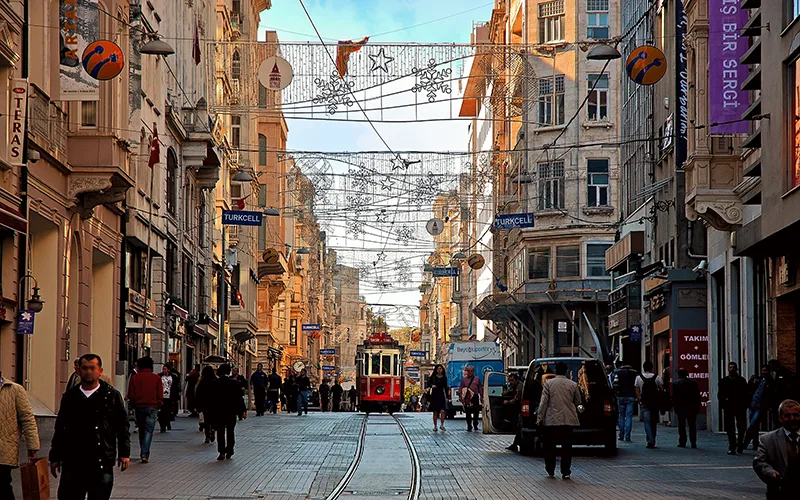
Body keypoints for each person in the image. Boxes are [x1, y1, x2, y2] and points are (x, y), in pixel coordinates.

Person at [50, 354, 130, 499]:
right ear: (78, 370)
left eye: (92, 368)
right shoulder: (70, 397)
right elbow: (60, 428)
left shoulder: (111, 395)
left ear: (100, 371)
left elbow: (122, 426)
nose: (88, 372)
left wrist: (124, 454)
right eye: (84, 368)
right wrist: (55, 457)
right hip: (73, 462)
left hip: (101, 461)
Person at [537, 361, 581, 480]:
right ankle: (565, 471)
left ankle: (550, 469)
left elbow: (543, 403)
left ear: (555, 371)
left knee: (550, 446)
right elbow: (578, 402)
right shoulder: (573, 385)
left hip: (552, 420)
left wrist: (539, 418)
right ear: (566, 371)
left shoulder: (548, 384)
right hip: (568, 420)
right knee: (567, 447)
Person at [0, 371, 39, 500]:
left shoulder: (14, 389)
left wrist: (32, 446)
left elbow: (27, 418)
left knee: (3, 485)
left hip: (5, 448)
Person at [753, 399, 800, 500]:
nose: (792, 418)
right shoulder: (768, 439)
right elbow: (760, 462)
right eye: (787, 416)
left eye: (796, 415)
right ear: (780, 418)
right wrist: (771, 473)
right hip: (780, 492)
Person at [127, 356, 163, 463]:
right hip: (152, 406)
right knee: (149, 431)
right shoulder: (156, 378)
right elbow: (159, 393)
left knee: (142, 430)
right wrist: (159, 404)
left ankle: (143, 451)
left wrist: (133, 403)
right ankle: (145, 453)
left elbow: (131, 394)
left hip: (139, 407)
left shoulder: (135, 378)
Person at [208, 364, 247, 460]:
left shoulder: (215, 383)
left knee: (220, 432)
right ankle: (230, 449)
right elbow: (239, 398)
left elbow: (211, 399)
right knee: (230, 431)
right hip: (231, 411)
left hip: (219, 411)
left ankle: (221, 452)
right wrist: (242, 410)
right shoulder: (234, 383)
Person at [719, 361, 749, 455]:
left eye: (733, 367)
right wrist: (723, 404)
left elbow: (746, 393)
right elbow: (720, 395)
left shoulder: (742, 380)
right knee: (730, 428)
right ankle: (732, 446)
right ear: (728, 369)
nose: (732, 369)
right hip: (729, 407)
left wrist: (745, 404)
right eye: (730, 367)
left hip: (740, 406)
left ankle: (740, 445)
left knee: (741, 427)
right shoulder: (724, 381)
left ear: (737, 369)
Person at [635, 360, 664, 449]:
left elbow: (637, 391)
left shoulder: (639, 378)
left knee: (647, 422)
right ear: (652, 368)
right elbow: (662, 389)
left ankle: (649, 440)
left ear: (643, 368)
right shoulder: (657, 377)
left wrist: (639, 400)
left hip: (645, 402)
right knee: (653, 422)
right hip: (655, 402)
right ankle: (653, 439)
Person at [745, 365, 775, 450]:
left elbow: (770, 395)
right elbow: (750, 389)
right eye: (762, 370)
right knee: (754, 426)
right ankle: (755, 443)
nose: (763, 372)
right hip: (753, 405)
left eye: (765, 371)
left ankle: (745, 442)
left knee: (753, 424)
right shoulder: (758, 380)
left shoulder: (771, 382)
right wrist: (751, 381)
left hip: (760, 406)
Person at [672, 368, 701, 448]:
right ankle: (693, 442)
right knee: (692, 425)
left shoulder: (676, 384)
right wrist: (698, 406)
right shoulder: (693, 383)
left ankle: (682, 442)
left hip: (681, 407)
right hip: (692, 407)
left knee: (681, 425)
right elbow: (697, 396)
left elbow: (674, 397)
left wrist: (674, 406)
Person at [613, 360, 637, 442]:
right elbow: (636, 385)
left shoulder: (618, 373)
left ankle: (621, 435)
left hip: (621, 396)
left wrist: (617, 395)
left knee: (621, 416)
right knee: (629, 416)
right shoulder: (634, 373)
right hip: (631, 396)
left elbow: (615, 385)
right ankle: (628, 436)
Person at [195, 366, 217, 444]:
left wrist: (197, 405)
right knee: (213, 419)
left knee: (206, 420)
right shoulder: (215, 381)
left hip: (205, 404)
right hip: (214, 404)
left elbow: (198, 394)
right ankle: (213, 429)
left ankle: (207, 435)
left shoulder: (201, 382)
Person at [458, 365, 483, 432]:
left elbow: (480, 388)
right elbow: (460, 388)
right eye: (469, 371)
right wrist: (460, 396)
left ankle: (475, 424)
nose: (470, 372)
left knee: (476, 411)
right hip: (468, 397)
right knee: (468, 412)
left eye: (471, 371)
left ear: (473, 371)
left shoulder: (477, 379)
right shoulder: (464, 380)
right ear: (467, 371)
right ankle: (469, 425)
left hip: (475, 396)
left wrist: (481, 396)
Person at [504, 372, 525, 452]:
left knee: (519, 427)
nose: (510, 382)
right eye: (509, 381)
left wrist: (508, 402)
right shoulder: (514, 386)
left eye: (512, 380)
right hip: (517, 409)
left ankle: (516, 444)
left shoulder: (519, 386)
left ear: (516, 379)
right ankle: (515, 444)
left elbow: (517, 399)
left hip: (519, 408)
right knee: (519, 428)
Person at [427, 364, 449, 432]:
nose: (439, 370)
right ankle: (435, 426)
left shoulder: (444, 378)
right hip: (434, 395)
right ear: (436, 370)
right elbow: (428, 383)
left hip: (441, 394)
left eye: (440, 369)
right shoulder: (433, 377)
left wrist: (447, 397)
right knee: (435, 412)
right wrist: (432, 385)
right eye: (438, 369)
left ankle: (442, 425)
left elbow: (446, 387)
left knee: (442, 411)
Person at [158, 364, 174, 433]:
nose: (163, 370)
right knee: (161, 413)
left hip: (169, 397)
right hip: (162, 397)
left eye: (165, 369)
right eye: (163, 369)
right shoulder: (159, 376)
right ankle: (162, 427)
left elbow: (175, 388)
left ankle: (167, 423)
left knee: (167, 412)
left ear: (168, 370)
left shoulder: (173, 377)